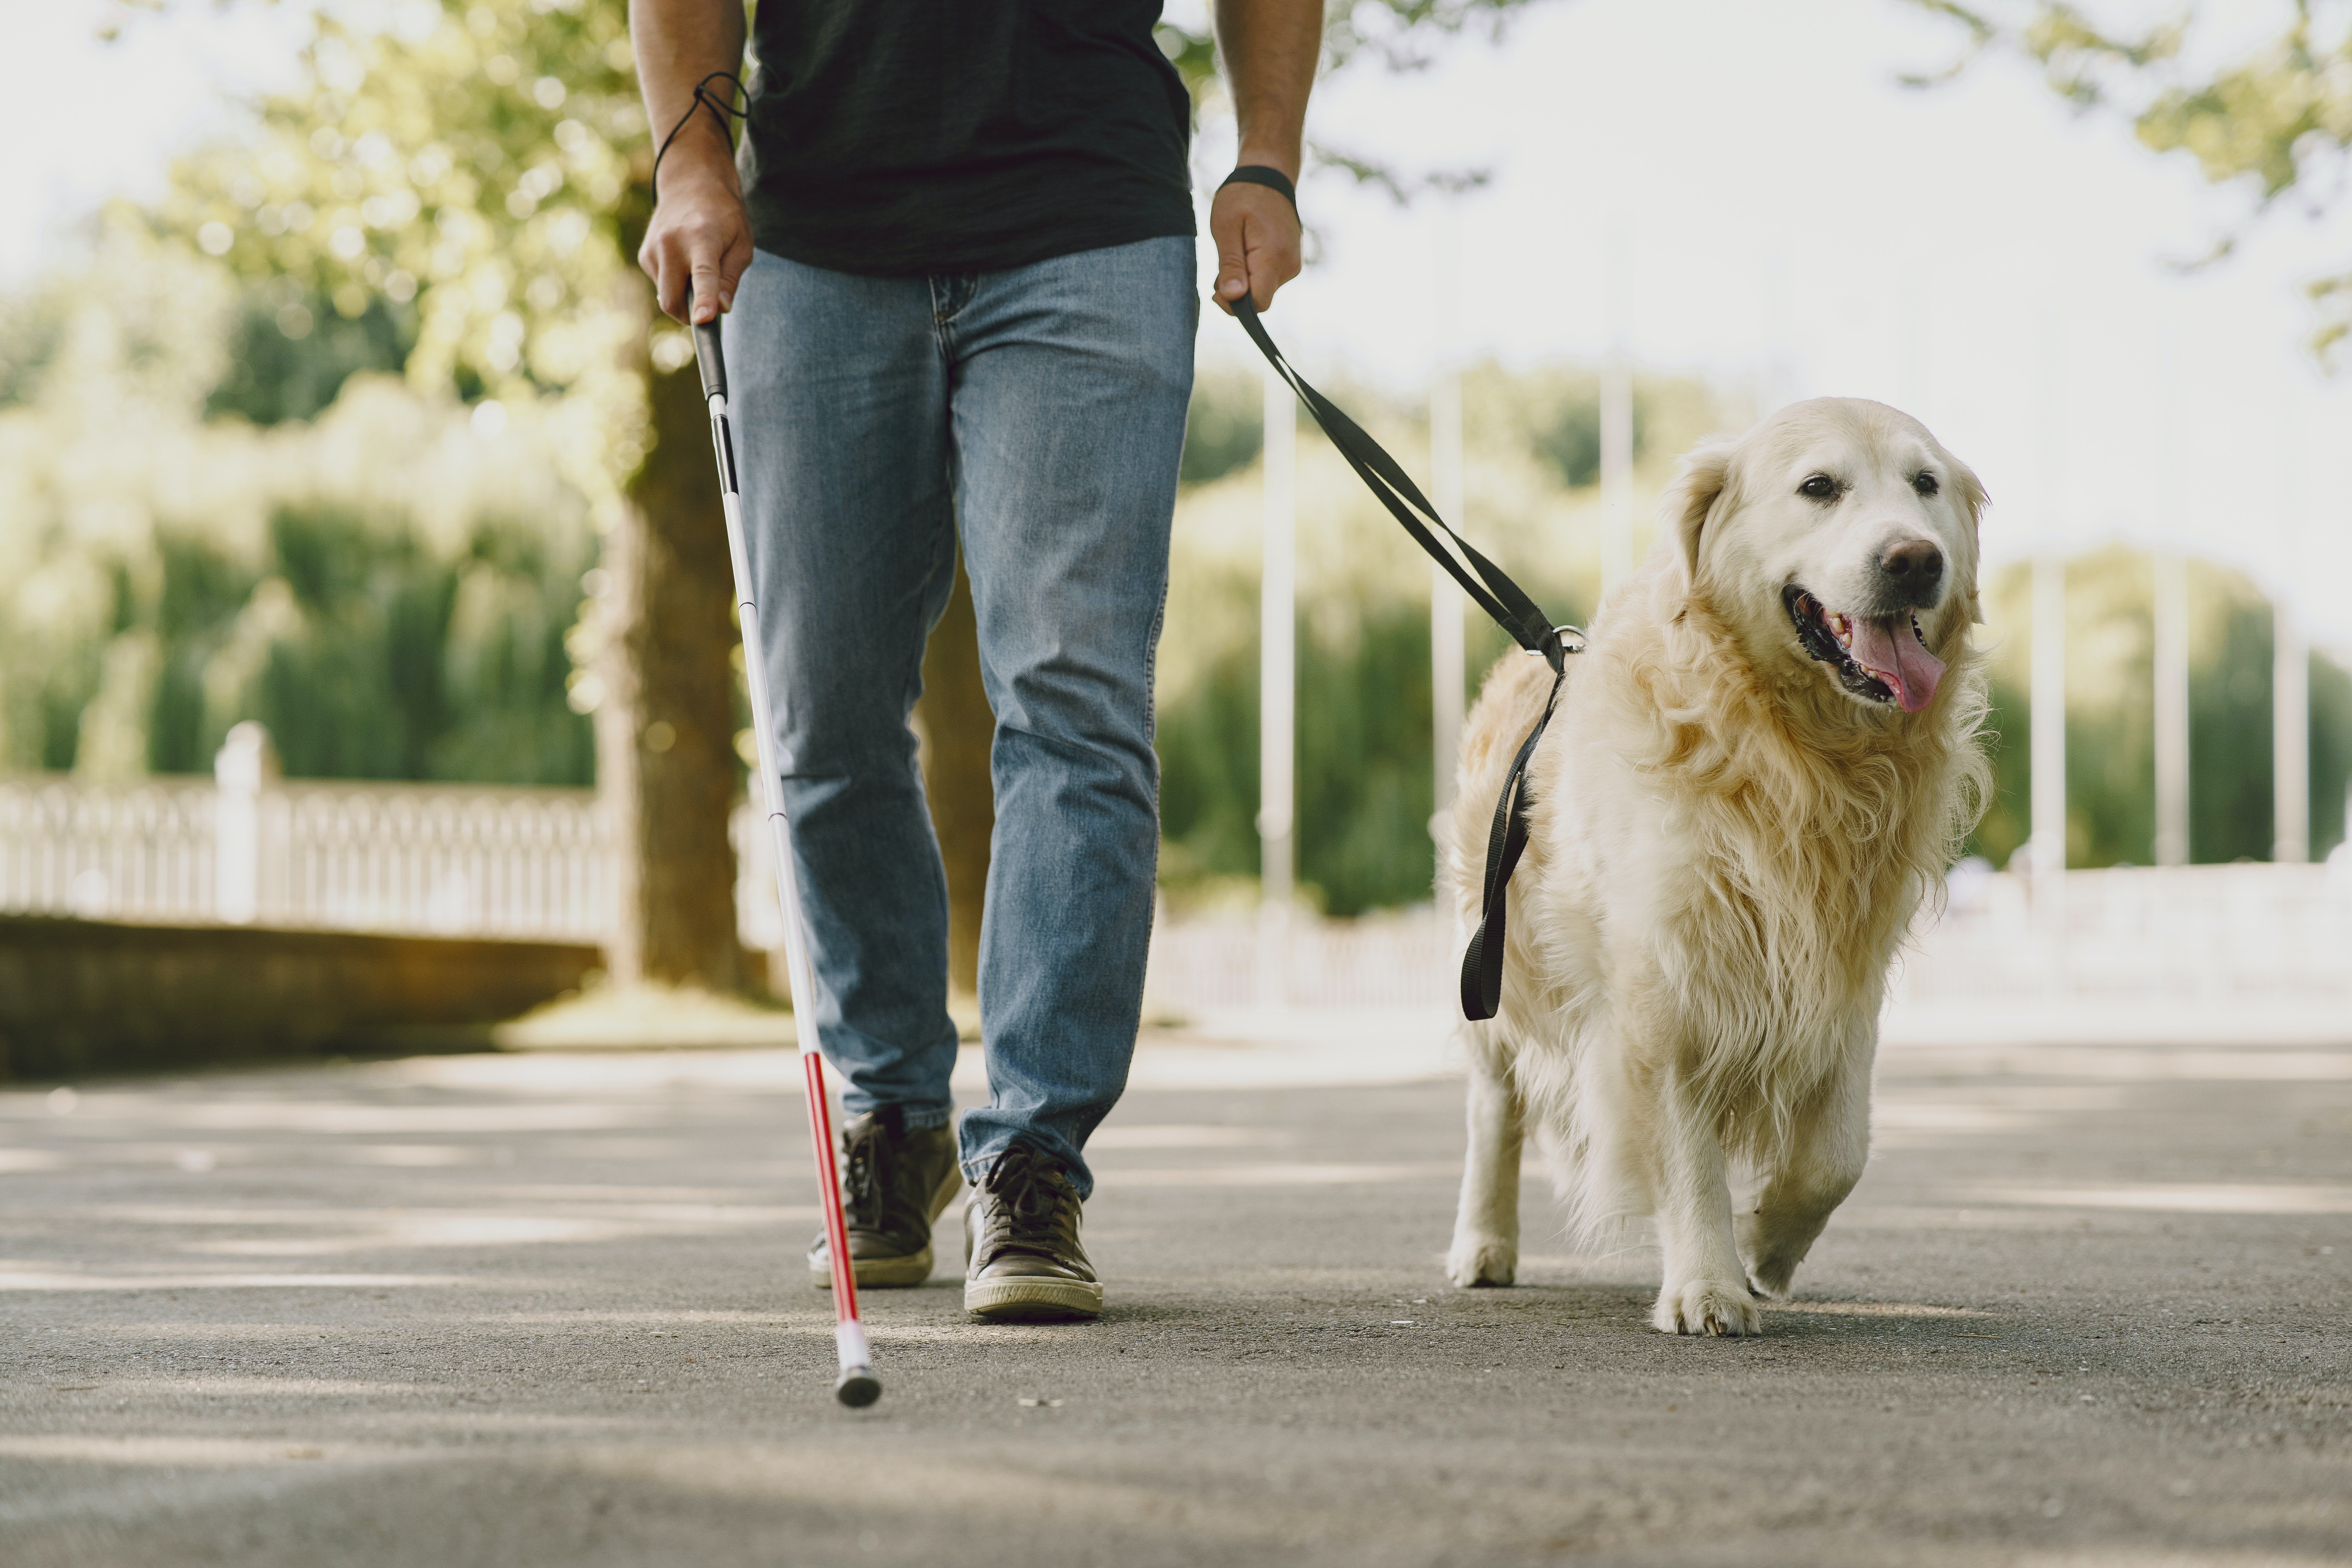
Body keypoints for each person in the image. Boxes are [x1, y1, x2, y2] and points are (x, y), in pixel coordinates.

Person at [630, 0, 1321, 1322]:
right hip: (817, 237)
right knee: (819, 710)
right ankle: (893, 1117)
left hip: (1090, 223)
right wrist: (690, 162)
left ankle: (1034, 1160)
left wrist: (1268, 157)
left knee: (1074, 693)